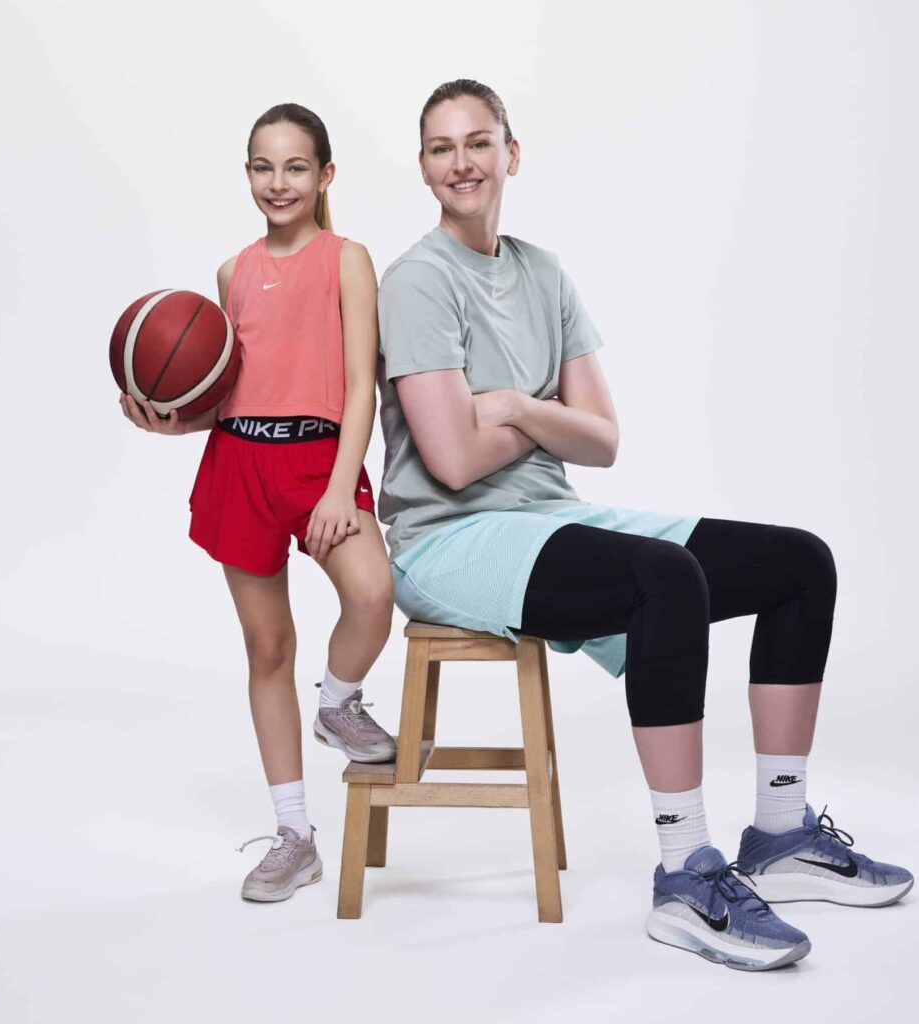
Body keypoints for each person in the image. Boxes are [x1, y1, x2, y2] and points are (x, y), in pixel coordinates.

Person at [376, 79, 912, 970]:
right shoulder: (418, 281)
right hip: (448, 542)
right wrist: (544, 414)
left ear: (512, 153)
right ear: (425, 166)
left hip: (548, 517)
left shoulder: (543, 272)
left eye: (478, 142)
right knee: (665, 577)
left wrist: (507, 403)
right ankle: (683, 874)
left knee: (800, 564)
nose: (461, 162)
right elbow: (451, 462)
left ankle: (779, 835)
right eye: (441, 147)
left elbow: (604, 441)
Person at [121, 102, 396, 904]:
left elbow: (357, 387)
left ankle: (339, 705)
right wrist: (170, 420)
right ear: (247, 173)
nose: (278, 182)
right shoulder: (230, 272)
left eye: (296, 167)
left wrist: (344, 484)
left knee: (374, 594)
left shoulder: (348, 259)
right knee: (268, 650)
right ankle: (294, 837)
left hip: (320, 463)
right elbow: (229, 392)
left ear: (325, 176)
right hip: (239, 461)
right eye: (263, 167)